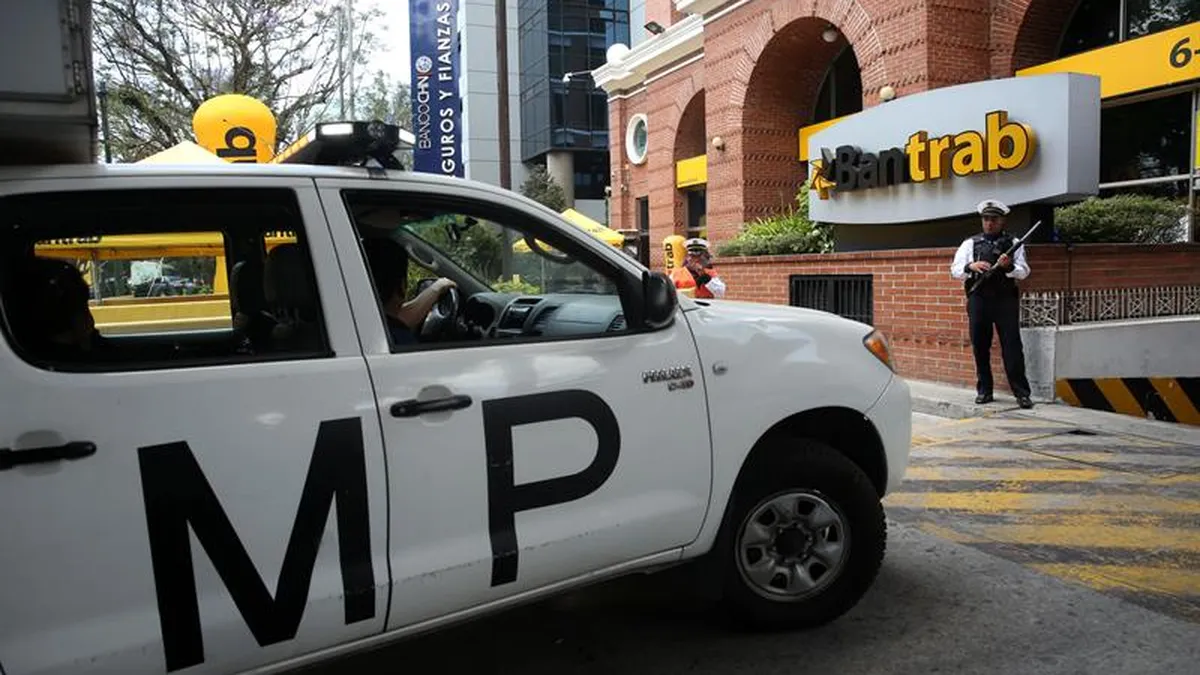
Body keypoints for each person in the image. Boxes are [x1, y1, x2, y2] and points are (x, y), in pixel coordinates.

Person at [951, 199, 1034, 408]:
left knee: (1012, 347)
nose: (989, 223)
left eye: (994, 219)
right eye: (986, 219)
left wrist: (1009, 267)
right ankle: (984, 390)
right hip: (979, 299)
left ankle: (1022, 393)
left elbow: (1024, 272)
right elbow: (955, 270)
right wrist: (971, 266)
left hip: (1005, 300)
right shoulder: (970, 243)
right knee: (980, 346)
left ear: (1002, 221)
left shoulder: (1014, 242)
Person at [361, 237, 456, 346]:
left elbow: (398, 318)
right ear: (402, 285)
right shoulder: (399, 341)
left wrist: (436, 288)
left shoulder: (358, 322)